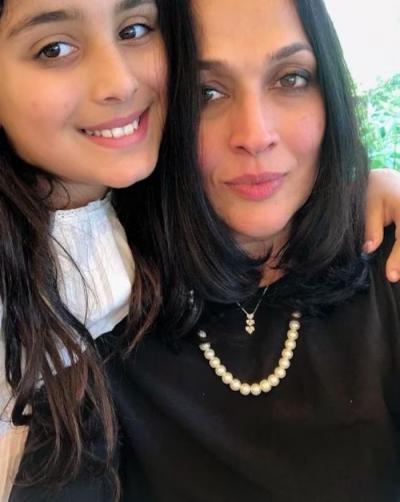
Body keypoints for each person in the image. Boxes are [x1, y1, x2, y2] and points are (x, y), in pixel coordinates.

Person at [4, 0, 400, 501]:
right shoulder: (92, 316)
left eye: (291, 79)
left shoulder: (387, 262)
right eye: (206, 92)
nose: (255, 135)